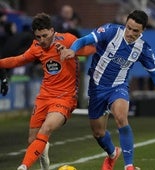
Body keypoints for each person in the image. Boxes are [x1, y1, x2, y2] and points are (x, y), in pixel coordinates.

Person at [60, 10, 155, 170]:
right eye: (129, 28)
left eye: (135, 31)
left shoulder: (143, 49)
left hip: (118, 87)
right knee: (98, 133)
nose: (130, 33)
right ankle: (112, 153)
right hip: (96, 88)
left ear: (143, 31)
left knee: (121, 117)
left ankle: (129, 166)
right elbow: (85, 40)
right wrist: (72, 49)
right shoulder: (110, 31)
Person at [0, 12, 95, 170]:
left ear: (52, 30)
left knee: (46, 128)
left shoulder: (68, 39)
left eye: (44, 35)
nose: (42, 40)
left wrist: (72, 51)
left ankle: (23, 167)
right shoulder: (36, 46)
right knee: (32, 140)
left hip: (65, 97)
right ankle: (43, 151)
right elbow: (19, 59)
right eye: (38, 37)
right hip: (44, 96)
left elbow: (91, 49)